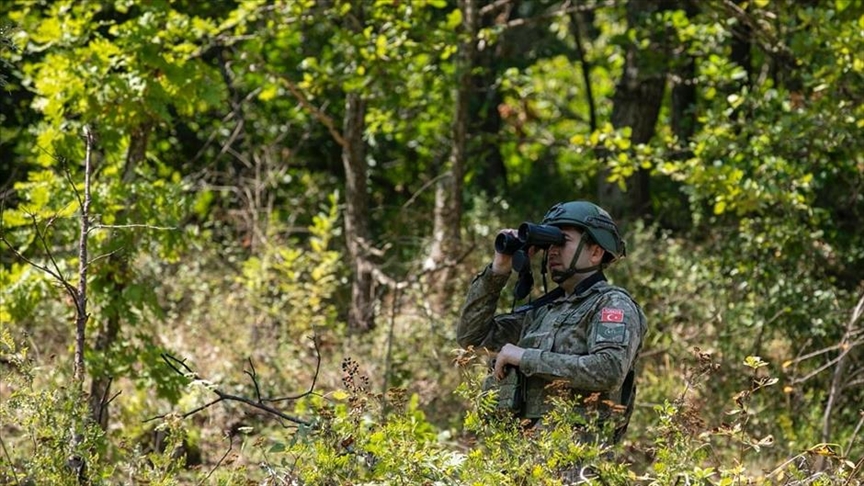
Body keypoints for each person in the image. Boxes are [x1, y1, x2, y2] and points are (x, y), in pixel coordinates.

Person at [456, 200, 647, 443]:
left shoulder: (611, 304)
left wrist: (525, 357)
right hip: (520, 457)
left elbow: (608, 370)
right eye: (549, 244)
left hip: (575, 461)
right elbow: (472, 337)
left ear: (596, 252)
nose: (552, 251)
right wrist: (499, 270)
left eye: (562, 241)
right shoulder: (543, 311)